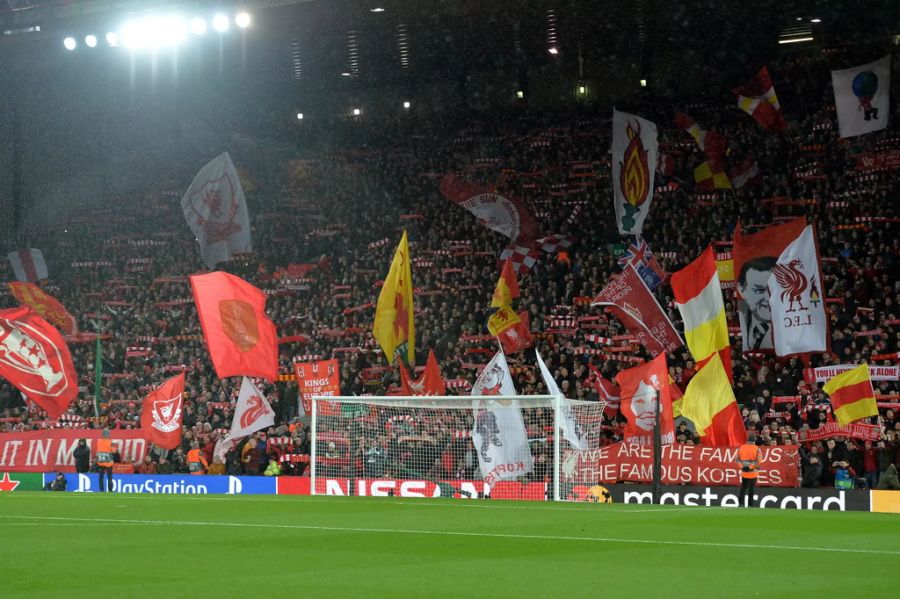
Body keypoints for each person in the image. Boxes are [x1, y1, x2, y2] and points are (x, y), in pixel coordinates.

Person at [737, 257, 777, 350]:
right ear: (741, 290)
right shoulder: (743, 317)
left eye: (774, 290)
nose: (768, 298)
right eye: (759, 290)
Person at [737, 432, 761, 507]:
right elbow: (759, 460)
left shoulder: (741, 448)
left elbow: (737, 459)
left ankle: (741, 504)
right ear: (755, 440)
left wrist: (742, 467)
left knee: (743, 488)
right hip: (753, 472)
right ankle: (750, 505)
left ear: (747, 439)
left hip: (744, 472)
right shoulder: (757, 449)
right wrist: (750, 467)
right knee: (751, 488)